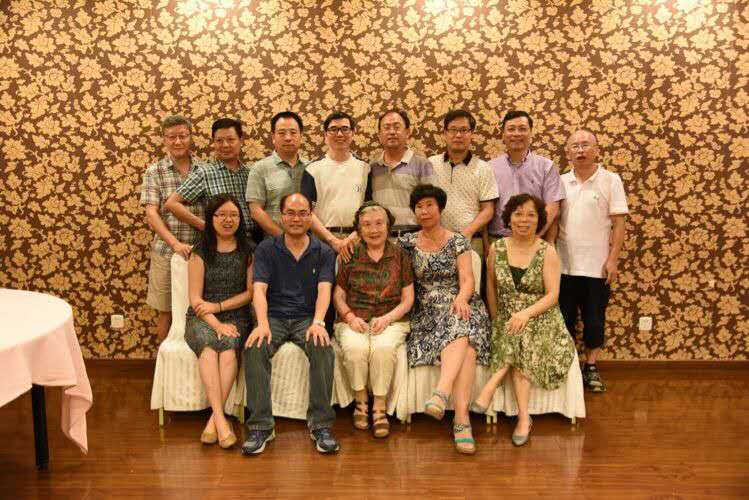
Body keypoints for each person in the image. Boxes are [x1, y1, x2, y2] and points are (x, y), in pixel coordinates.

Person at [474, 194, 576, 447]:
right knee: (514, 331)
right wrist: (496, 320)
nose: (524, 220)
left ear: (539, 220)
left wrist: (526, 314)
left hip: (542, 315)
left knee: (523, 333)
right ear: (508, 218)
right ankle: (523, 418)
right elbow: (491, 287)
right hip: (508, 316)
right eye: (518, 214)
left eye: (531, 215)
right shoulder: (497, 249)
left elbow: (552, 295)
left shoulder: (546, 251)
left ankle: (491, 387)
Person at [241, 193, 340, 455]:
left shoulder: (323, 251)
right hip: (273, 316)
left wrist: (318, 322)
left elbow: (325, 290)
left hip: (306, 317)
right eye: (291, 213)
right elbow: (259, 290)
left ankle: (321, 425)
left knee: (322, 348)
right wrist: (262, 324)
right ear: (281, 216)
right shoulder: (266, 249)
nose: (297, 219)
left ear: (311, 216)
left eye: (303, 213)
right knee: (254, 348)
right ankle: (261, 427)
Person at [398, 184, 491, 455]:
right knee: (467, 342)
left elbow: (467, 279)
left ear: (440, 208)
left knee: (462, 320)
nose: (424, 211)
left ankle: (442, 394)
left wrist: (461, 298)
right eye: (419, 206)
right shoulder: (406, 243)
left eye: (430, 205)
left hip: (460, 301)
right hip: (426, 309)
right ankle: (462, 422)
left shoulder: (458, 241)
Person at [333, 201, 414, 438]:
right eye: (367, 225)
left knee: (383, 348)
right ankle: (360, 402)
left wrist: (387, 319)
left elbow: (408, 299)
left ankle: (379, 406)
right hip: (354, 317)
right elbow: (338, 295)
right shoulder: (350, 254)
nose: (374, 229)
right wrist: (349, 317)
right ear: (359, 229)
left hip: (392, 319)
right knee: (355, 348)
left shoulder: (400, 255)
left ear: (388, 226)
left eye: (379, 223)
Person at [558, 129, 629, 392]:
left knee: (594, 320)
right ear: (567, 152)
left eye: (585, 145)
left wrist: (613, 259)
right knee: (564, 319)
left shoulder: (611, 180)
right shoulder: (560, 181)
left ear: (597, 149)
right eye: (575, 146)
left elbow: (619, 224)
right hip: (564, 266)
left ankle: (591, 366)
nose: (580, 150)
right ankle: (568, 368)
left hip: (597, 266)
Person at [184, 194, 253, 450]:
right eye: (221, 215)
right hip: (202, 317)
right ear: (211, 218)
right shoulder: (200, 251)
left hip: (236, 315)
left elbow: (250, 293)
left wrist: (221, 307)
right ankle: (222, 421)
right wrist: (216, 323)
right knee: (209, 348)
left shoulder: (249, 250)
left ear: (240, 219)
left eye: (233, 215)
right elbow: (195, 299)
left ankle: (214, 421)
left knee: (229, 351)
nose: (227, 220)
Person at [140, 115, 205, 341]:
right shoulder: (154, 171)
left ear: (190, 137)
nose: (177, 141)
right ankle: (164, 362)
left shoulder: (204, 169)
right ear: (164, 140)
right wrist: (175, 244)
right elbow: (151, 213)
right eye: (171, 137)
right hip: (166, 252)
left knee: (199, 308)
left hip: (201, 252)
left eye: (182, 136)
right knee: (166, 311)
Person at [165, 118, 256, 245]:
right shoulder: (205, 173)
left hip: (253, 241)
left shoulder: (251, 173)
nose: (225, 145)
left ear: (240, 140)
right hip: (221, 243)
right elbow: (172, 203)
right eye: (219, 141)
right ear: (213, 143)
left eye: (230, 139)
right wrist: (207, 227)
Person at [428, 109, 498, 258]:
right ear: (444, 133)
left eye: (464, 130)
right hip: (436, 239)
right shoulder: (431, 164)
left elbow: (488, 210)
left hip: (471, 240)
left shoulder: (483, 168)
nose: (458, 135)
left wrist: (467, 233)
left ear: (472, 134)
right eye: (453, 130)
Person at [487, 111, 564, 243]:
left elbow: (552, 207)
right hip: (498, 241)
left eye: (522, 129)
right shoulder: (489, 168)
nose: (517, 134)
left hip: (536, 240)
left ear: (531, 133)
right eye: (511, 129)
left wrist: (534, 238)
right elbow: (485, 208)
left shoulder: (546, 167)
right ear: (503, 135)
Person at [301, 111, 369, 261]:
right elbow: (306, 211)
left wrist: (353, 237)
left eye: (345, 129)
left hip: (358, 240)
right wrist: (332, 240)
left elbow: (369, 208)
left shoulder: (365, 168)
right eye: (333, 129)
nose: (339, 134)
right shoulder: (312, 169)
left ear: (353, 133)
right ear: (325, 135)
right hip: (322, 242)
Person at [366, 109, 434, 235]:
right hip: (381, 237)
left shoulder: (422, 164)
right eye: (386, 128)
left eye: (397, 127)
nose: (392, 132)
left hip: (414, 236)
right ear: (379, 135)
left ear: (407, 132)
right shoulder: (372, 167)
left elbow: (432, 206)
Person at [247, 111, 308, 238]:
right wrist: (283, 237)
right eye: (282, 133)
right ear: (273, 137)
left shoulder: (311, 168)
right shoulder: (259, 169)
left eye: (293, 132)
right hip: (273, 242)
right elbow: (255, 210)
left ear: (301, 136)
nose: (288, 138)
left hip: (309, 242)